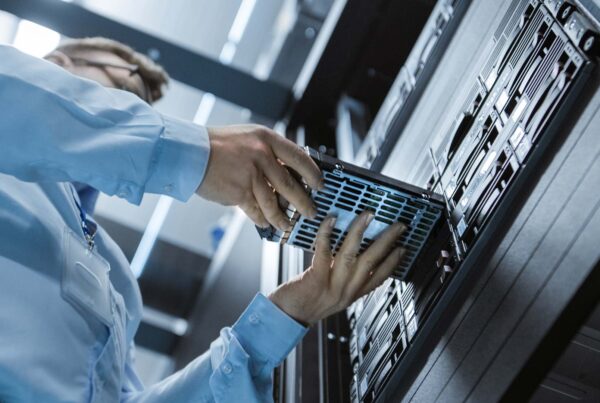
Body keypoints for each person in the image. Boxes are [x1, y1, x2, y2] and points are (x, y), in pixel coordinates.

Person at [0, 38, 406, 402]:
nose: (133, 112)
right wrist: (196, 153)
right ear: (58, 62)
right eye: (125, 87)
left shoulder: (116, 281)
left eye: (139, 108)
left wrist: (286, 315)